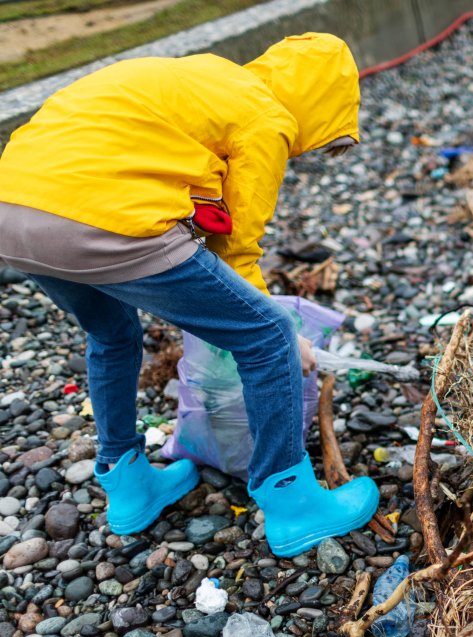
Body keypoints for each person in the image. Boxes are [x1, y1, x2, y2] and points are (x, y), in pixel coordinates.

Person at [0, 33, 378, 557]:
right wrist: (284, 334)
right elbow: (239, 248)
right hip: (100, 221)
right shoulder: (265, 114)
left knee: (111, 334)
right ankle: (294, 504)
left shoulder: (206, 78)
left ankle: (129, 486)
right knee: (266, 335)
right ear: (321, 99)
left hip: (13, 208)